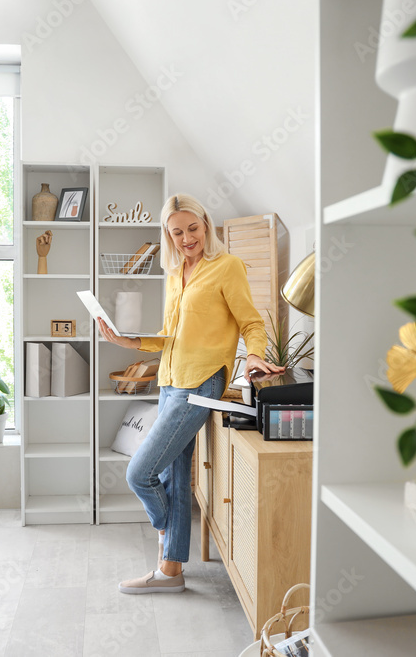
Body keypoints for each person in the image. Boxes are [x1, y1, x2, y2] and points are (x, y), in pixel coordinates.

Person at [98, 193, 285, 594]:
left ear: (206, 225)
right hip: (169, 380)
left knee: (139, 473)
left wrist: (253, 356)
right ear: (168, 235)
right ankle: (171, 572)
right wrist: (128, 342)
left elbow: (251, 321)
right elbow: (171, 337)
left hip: (201, 384)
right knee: (174, 476)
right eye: (177, 232)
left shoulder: (227, 267)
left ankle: (167, 541)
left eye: (193, 228)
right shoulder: (174, 273)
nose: (187, 238)